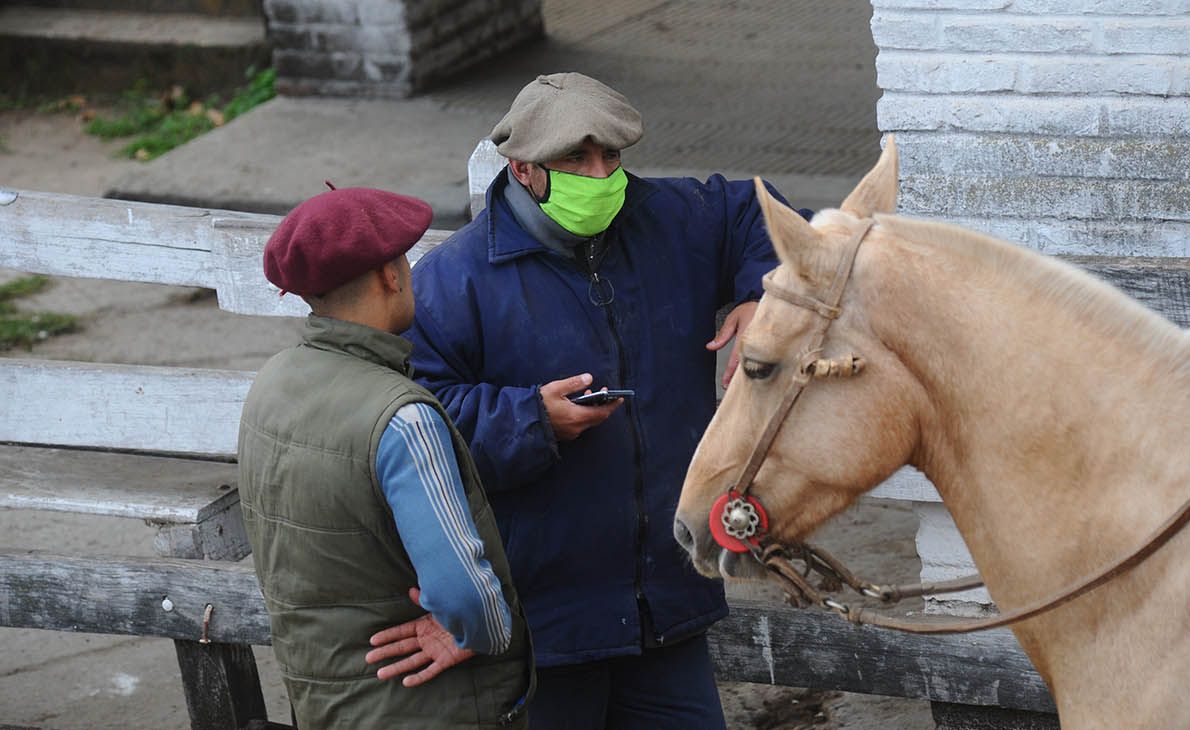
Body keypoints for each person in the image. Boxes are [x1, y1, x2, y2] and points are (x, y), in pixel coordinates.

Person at [399, 72, 802, 728]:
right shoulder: (453, 282)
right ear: (523, 169)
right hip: (546, 622)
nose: (601, 174)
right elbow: (417, 426)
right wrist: (534, 421)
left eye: (611, 156)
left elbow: (768, 216)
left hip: (670, 605)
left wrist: (766, 292)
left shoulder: (674, 220)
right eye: (576, 160)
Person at [237, 186, 533, 729]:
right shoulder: (404, 418)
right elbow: (467, 600)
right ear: (389, 276)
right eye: (405, 260)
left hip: (326, 703)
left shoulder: (270, 383)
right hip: (429, 709)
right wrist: (482, 630)